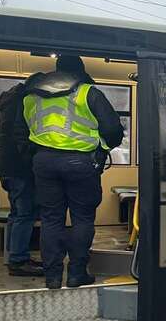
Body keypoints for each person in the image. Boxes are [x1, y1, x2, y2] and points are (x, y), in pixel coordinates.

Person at [15, 55, 124, 289]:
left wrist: (35, 156)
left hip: (43, 162)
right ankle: (76, 274)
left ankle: (52, 277)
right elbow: (113, 129)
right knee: (82, 218)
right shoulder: (88, 93)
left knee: (50, 219)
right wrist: (102, 148)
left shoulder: (31, 96)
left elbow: (19, 132)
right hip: (81, 162)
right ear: (80, 71)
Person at [0, 75, 44, 277]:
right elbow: (21, 139)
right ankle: (18, 260)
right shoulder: (23, 102)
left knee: (17, 213)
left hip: (7, 165)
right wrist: (32, 162)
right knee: (25, 213)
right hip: (19, 167)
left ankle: (15, 256)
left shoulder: (10, 100)